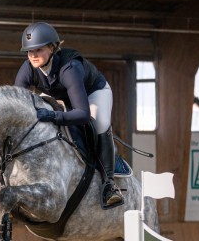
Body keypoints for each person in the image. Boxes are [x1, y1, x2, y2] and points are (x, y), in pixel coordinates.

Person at [14, 22, 123, 209]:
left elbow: (82, 113)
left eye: (38, 50)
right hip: (62, 97)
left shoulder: (69, 68)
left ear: (52, 47)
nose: (32, 55)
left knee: (100, 122)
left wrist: (53, 116)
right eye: (29, 51)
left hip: (92, 94)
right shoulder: (28, 68)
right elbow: (17, 103)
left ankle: (109, 185)